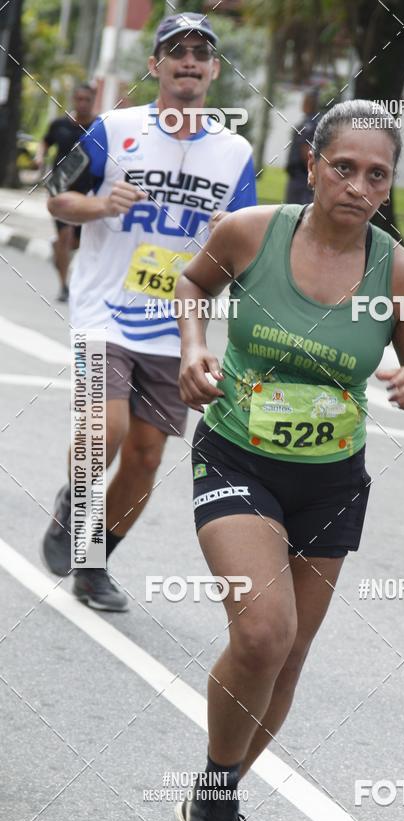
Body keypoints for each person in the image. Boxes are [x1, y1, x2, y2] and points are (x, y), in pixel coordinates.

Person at [173, 98, 404, 821]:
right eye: (344, 167)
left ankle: (215, 792)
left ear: (388, 186)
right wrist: (194, 349)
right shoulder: (252, 233)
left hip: (332, 480)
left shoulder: (395, 269)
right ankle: (219, 790)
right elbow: (193, 287)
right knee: (262, 632)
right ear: (311, 166)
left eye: (377, 175)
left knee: (288, 658)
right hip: (237, 456)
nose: (359, 186)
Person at [40, 12, 257, 611]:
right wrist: (99, 202)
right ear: (155, 65)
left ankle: (95, 562)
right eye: (177, 51)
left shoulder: (234, 151)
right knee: (105, 428)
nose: (189, 61)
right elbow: (57, 192)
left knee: (146, 454)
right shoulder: (114, 128)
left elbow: (248, 243)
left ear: (213, 70)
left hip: (178, 325)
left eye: (201, 53)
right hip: (104, 310)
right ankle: (74, 504)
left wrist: (228, 232)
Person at [35, 83, 97, 303]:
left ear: (93, 100)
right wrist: (39, 156)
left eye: (86, 100)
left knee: (77, 242)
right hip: (59, 187)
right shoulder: (60, 124)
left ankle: (58, 248)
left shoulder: (99, 128)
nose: (82, 103)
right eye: (78, 99)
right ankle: (64, 286)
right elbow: (45, 141)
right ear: (73, 99)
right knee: (66, 236)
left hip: (87, 190)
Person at [284, 89, 320, 203]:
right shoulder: (313, 121)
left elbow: (306, 151)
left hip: (301, 179)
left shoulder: (309, 124)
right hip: (299, 177)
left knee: (294, 213)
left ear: (309, 103)